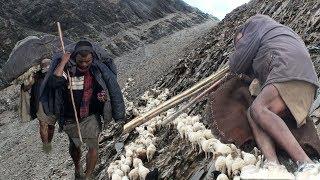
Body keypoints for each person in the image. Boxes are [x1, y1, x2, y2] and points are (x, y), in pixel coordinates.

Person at [229, 14, 319, 165]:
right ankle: (273, 165)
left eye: (239, 43)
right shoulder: (274, 32)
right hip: (305, 81)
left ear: (242, 34)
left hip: (288, 69)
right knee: (253, 113)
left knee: (259, 108)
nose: (240, 47)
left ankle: (305, 163)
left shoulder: (254, 24)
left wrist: (233, 60)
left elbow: (236, 64)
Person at [44, 40, 126, 179]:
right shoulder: (68, 71)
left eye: (87, 61)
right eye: (81, 61)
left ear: (92, 58)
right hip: (70, 117)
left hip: (90, 116)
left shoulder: (97, 71)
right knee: (75, 146)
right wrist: (63, 62)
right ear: (75, 57)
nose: (84, 64)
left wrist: (103, 98)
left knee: (93, 146)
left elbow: (111, 88)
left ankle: (88, 177)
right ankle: (77, 167)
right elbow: (53, 82)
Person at [20, 59, 56, 153]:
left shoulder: (55, 71)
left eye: (48, 64)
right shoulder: (35, 75)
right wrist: (32, 78)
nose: (46, 66)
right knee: (43, 124)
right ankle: (46, 146)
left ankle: (49, 141)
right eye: (44, 65)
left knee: (51, 126)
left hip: (54, 101)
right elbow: (26, 86)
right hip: (40, 100)